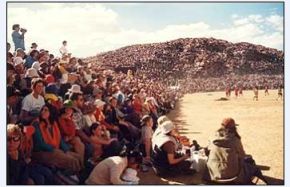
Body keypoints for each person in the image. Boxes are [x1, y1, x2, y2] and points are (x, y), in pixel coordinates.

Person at [206, 118, 267, 184]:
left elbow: (207, 151)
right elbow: (242, 156)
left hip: (213, 174)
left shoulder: (213, 137)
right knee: (252, 167)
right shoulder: (235, 140)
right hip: (232, 176)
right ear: (233, 128)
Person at [32, 105, 83, 173]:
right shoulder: (36, 124)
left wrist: (66, 150)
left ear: (51, 112)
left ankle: (79, 175)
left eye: (46, 110)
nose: (42, 112)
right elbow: (40, 144)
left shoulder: (53, 123)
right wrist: (55, 149)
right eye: (42, 110)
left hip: (54, 150)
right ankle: (70, 178)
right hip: (42, 152)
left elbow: (60, 139)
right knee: (72, 161)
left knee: (78, 157)